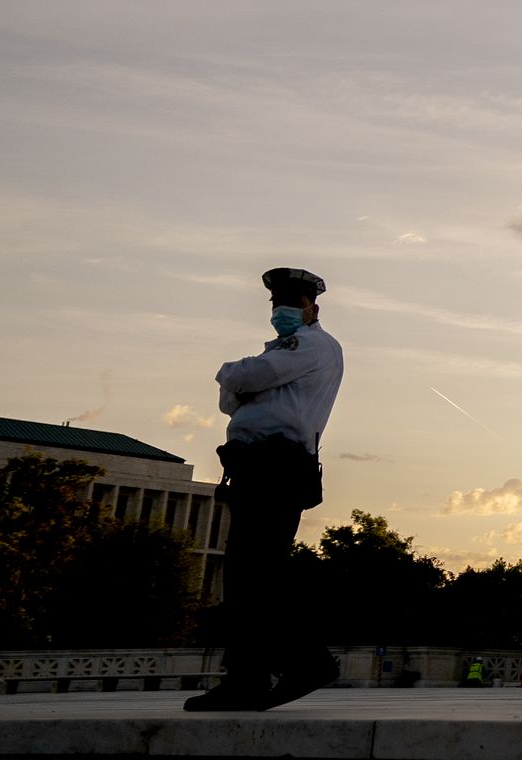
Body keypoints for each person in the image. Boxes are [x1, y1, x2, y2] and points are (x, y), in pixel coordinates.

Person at [184, 267, 344, 712]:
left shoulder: (313, 346)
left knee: (257, 572)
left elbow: (244, 380)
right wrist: (243, 380)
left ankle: (301, 663)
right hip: (254, 467)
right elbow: (230, 398)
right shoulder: (284, 350)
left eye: (292, 304)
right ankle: (251, 677)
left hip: (277, 466)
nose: (283, 312)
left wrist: (235, 375)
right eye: (277, 305)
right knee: (247, 576)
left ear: (313, 308)